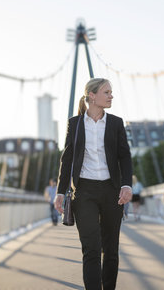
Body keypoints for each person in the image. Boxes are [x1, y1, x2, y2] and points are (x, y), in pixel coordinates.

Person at [54, 78, 133, 290]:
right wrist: (60, 192)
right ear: (92, 95)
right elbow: (67, 158)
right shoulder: (75, 124)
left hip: (111, 191)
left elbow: (125, 156)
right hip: (84, 192)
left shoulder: (116, 123)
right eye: (106, 92)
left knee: (111, 250)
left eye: (111, 92)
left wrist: (127, 185)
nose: (111, 96)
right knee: (91, 249)